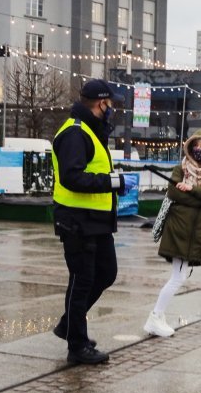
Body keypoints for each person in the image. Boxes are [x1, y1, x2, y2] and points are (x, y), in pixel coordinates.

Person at [51, 78, 138, 365]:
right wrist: (113, 181)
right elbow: (71, 177)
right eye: (111, 104)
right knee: (82, 281)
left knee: (106, 273)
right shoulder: (76, 133)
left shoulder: (90, 130)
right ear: (102, 103)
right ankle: (76, 345)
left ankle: (69, 325)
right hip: (77, 221)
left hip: (95, 221)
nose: (112, 109)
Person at [144, 129, 201, 337]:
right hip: (181, 231)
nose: (199, 149)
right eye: (196, 145)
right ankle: (155, 317)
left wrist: (192, 190)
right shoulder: (181, 168)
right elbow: (174, 192)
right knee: (178, 276)